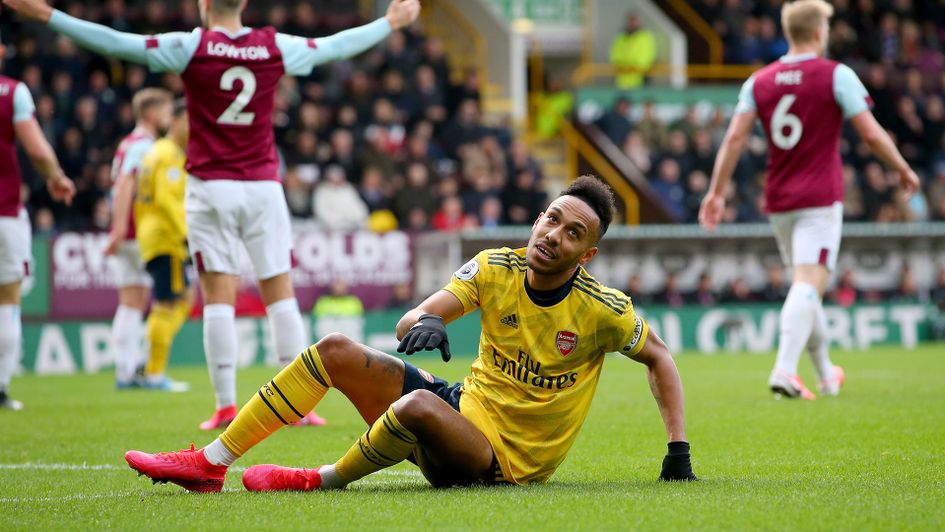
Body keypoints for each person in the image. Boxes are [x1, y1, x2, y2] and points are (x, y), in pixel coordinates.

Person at [123, 176, 697, 492]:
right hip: (461, 409)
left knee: (420, 405)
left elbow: (661, 358)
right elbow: (413, 319)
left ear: (587, 253)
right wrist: (426, 321)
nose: (553, 235)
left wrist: (677, 451)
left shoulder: (603, 309)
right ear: (538, 217)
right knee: (335, 349)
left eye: (573, 233)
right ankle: (211, 464)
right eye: (552, 218)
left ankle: (320, 480)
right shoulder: (496, 267)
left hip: (500, 461)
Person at [3, 0, 422, 428]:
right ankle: (299, 407)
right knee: (280, 295)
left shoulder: (192, 47)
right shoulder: (272, 46)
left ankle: (225, 405)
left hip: (210, 187)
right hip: (262, 187)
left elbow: (115, 43)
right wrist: (389, 22)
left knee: (218, 299)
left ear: (204, 4)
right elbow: (336, 46)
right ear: (244, 3)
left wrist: (47, 15)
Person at [698, 0, 920, 399]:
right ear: (820, 32)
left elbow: (733, 138)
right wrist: (902, 168)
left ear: (789, 33)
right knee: (807, 284)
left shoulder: (759, 81)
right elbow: (871, 133)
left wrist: (716, 193)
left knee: (806, 284)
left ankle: (826, 374)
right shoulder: (836, 74)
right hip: (819, 198)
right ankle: (784, 370)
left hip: (779, 200)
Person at [0, 32, 76, 410]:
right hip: (5, 211)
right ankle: (0, 387)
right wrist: (56, 176)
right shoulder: (12, 92)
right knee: (8, 300)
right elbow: (36, 148)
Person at [106, 88, 173, 389]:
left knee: (131, 301)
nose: (170, 119)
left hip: (130, 231)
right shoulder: (144, 146)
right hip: (136, 232)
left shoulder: (128, 143)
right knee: (136, 300)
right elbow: (125, 185)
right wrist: (120, 229)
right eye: (167, 112)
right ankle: (131, 369)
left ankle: (127, 370)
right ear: (152, 114)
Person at [133, 100, 193, 391]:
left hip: (153, 233)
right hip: (166, 236)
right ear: (176, 121)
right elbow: (167, 200)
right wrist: (186, 234)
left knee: (183, 298)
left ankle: (150, 360)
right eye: (191, 122)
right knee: (166, 303)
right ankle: (154, 371)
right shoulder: (169, 154)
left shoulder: (156, 151)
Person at [609, 12, 657, 90]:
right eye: (630, 21)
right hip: (622, 79)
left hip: (640, 77)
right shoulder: (621, 37)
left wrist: (638, 66)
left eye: (634, 21)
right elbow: (614, 54)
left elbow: (649, 55)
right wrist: (621, 65)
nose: (632, 23)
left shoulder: (645, 36)